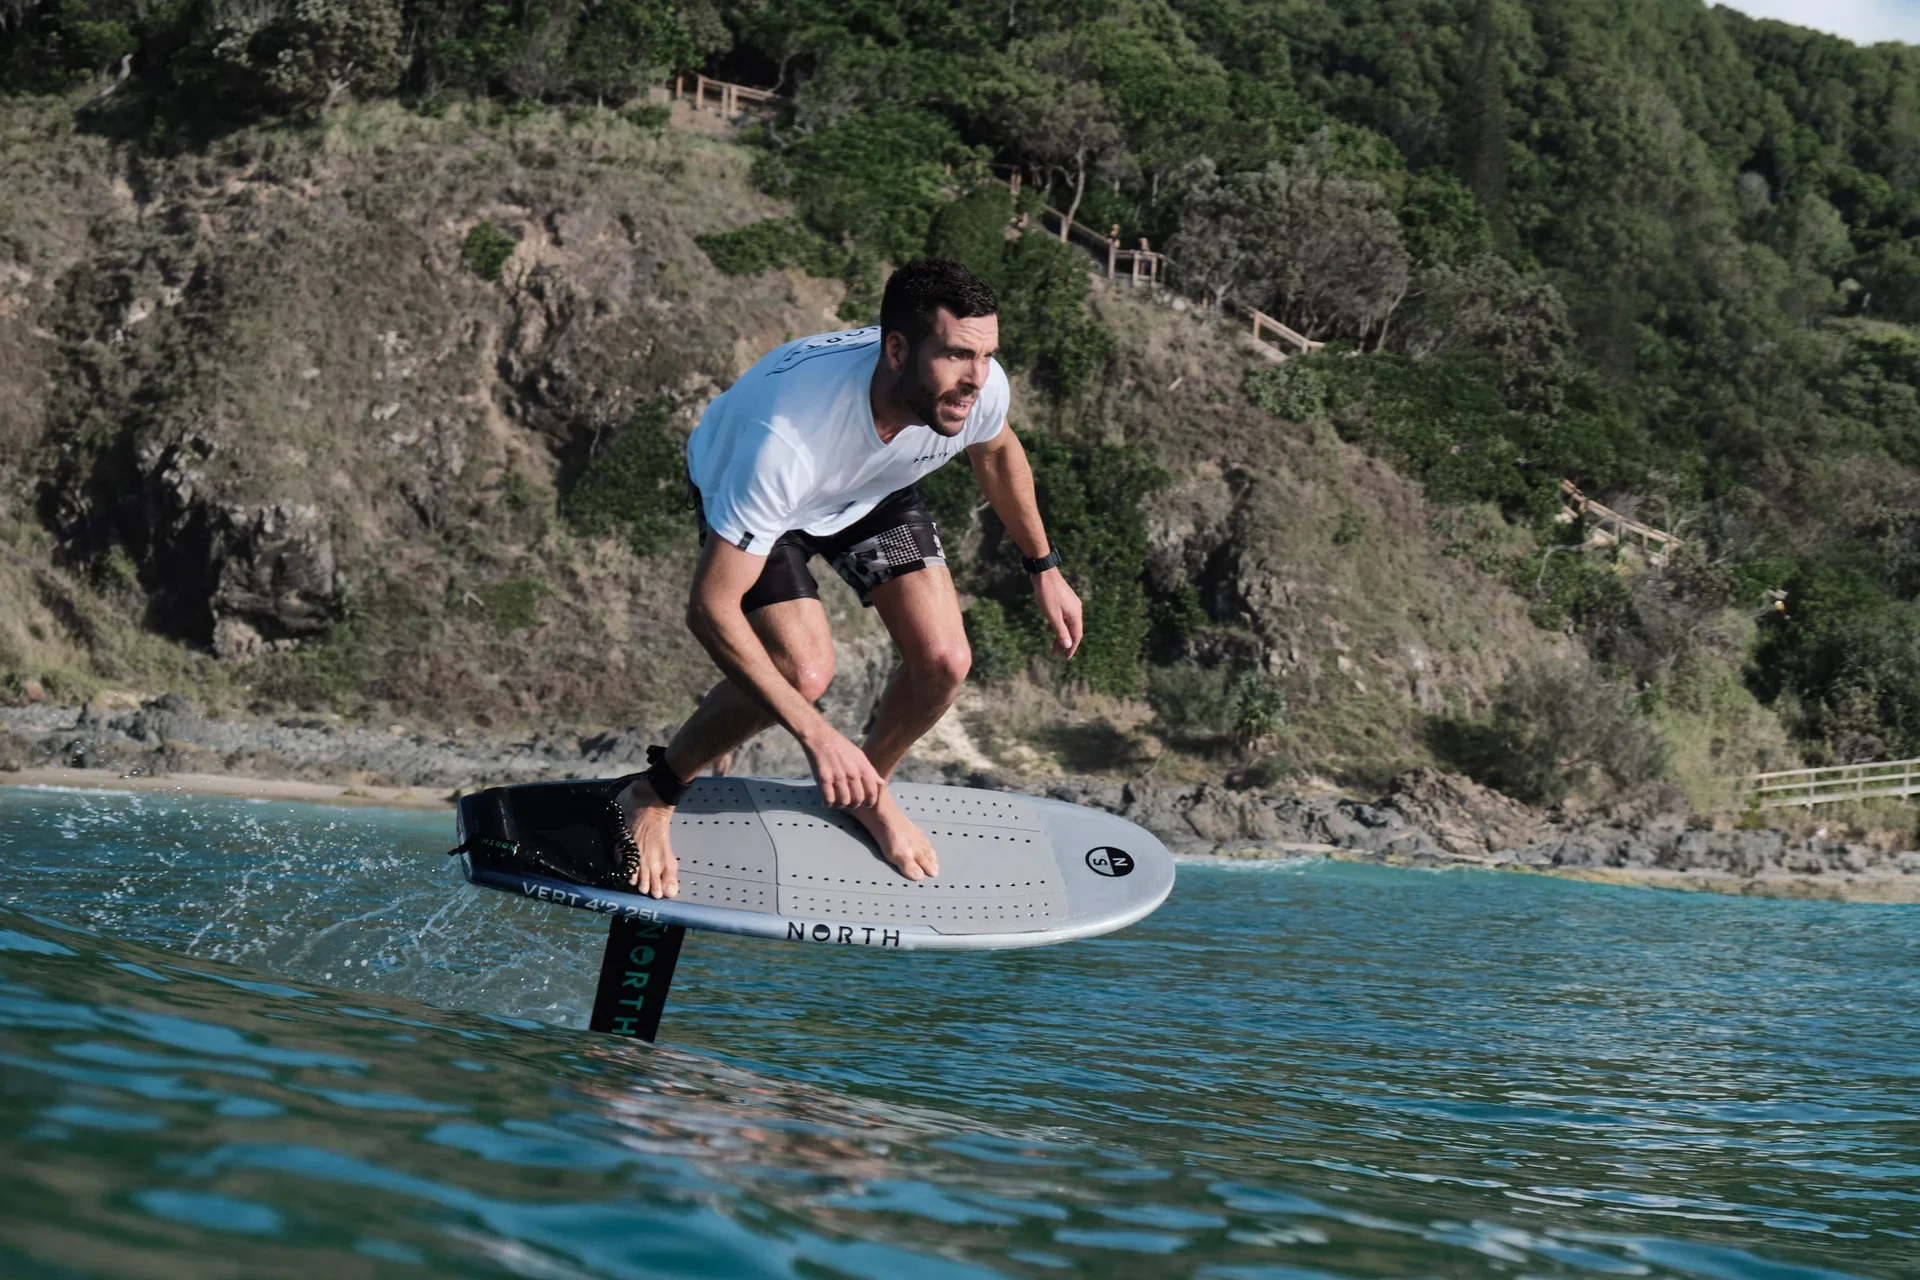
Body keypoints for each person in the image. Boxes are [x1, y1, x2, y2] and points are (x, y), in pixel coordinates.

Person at [612, 257, 1084, 898]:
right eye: (955, 356)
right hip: (772, 501)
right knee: (801, 671)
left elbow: (997, 453)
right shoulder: (783, 440)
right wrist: (816, 733)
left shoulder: (976, 387)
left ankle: (866, 788)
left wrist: (1044, 568)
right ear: (896, 350)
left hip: (873, 487)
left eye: (987, 355)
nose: (977, 379)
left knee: (945, 661)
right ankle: (654, 792)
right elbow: (709, 608)